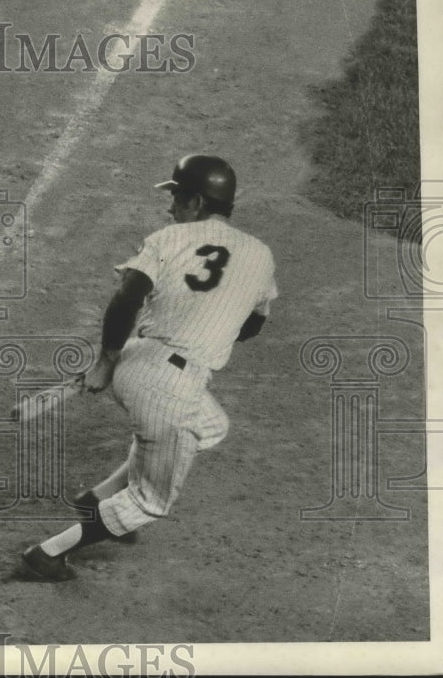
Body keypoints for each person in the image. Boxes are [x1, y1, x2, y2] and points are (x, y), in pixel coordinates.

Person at [19, 155, 278, 582]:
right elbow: (253, 325)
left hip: (138, 362)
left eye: (176, 197)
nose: (170, 206)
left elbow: (127, 296)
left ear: (197, 202)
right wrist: (213, 325)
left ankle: (98, 497)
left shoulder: (168, 238)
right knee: (151, 502)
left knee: (211, 426)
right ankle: (48, 553)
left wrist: (107, 359)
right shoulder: (261, 255)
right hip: (170, 387)